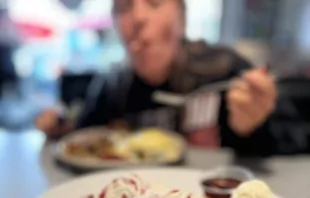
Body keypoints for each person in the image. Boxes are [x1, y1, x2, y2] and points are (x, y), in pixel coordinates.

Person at [36, 0, 277, 155]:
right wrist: (58, 126)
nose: (138, 18)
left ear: (182, 20)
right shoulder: (112, 85)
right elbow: (82, 138)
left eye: (154, 2)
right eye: (124, 7)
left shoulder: (224, 68)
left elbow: (279, 148)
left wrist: (253, 126)